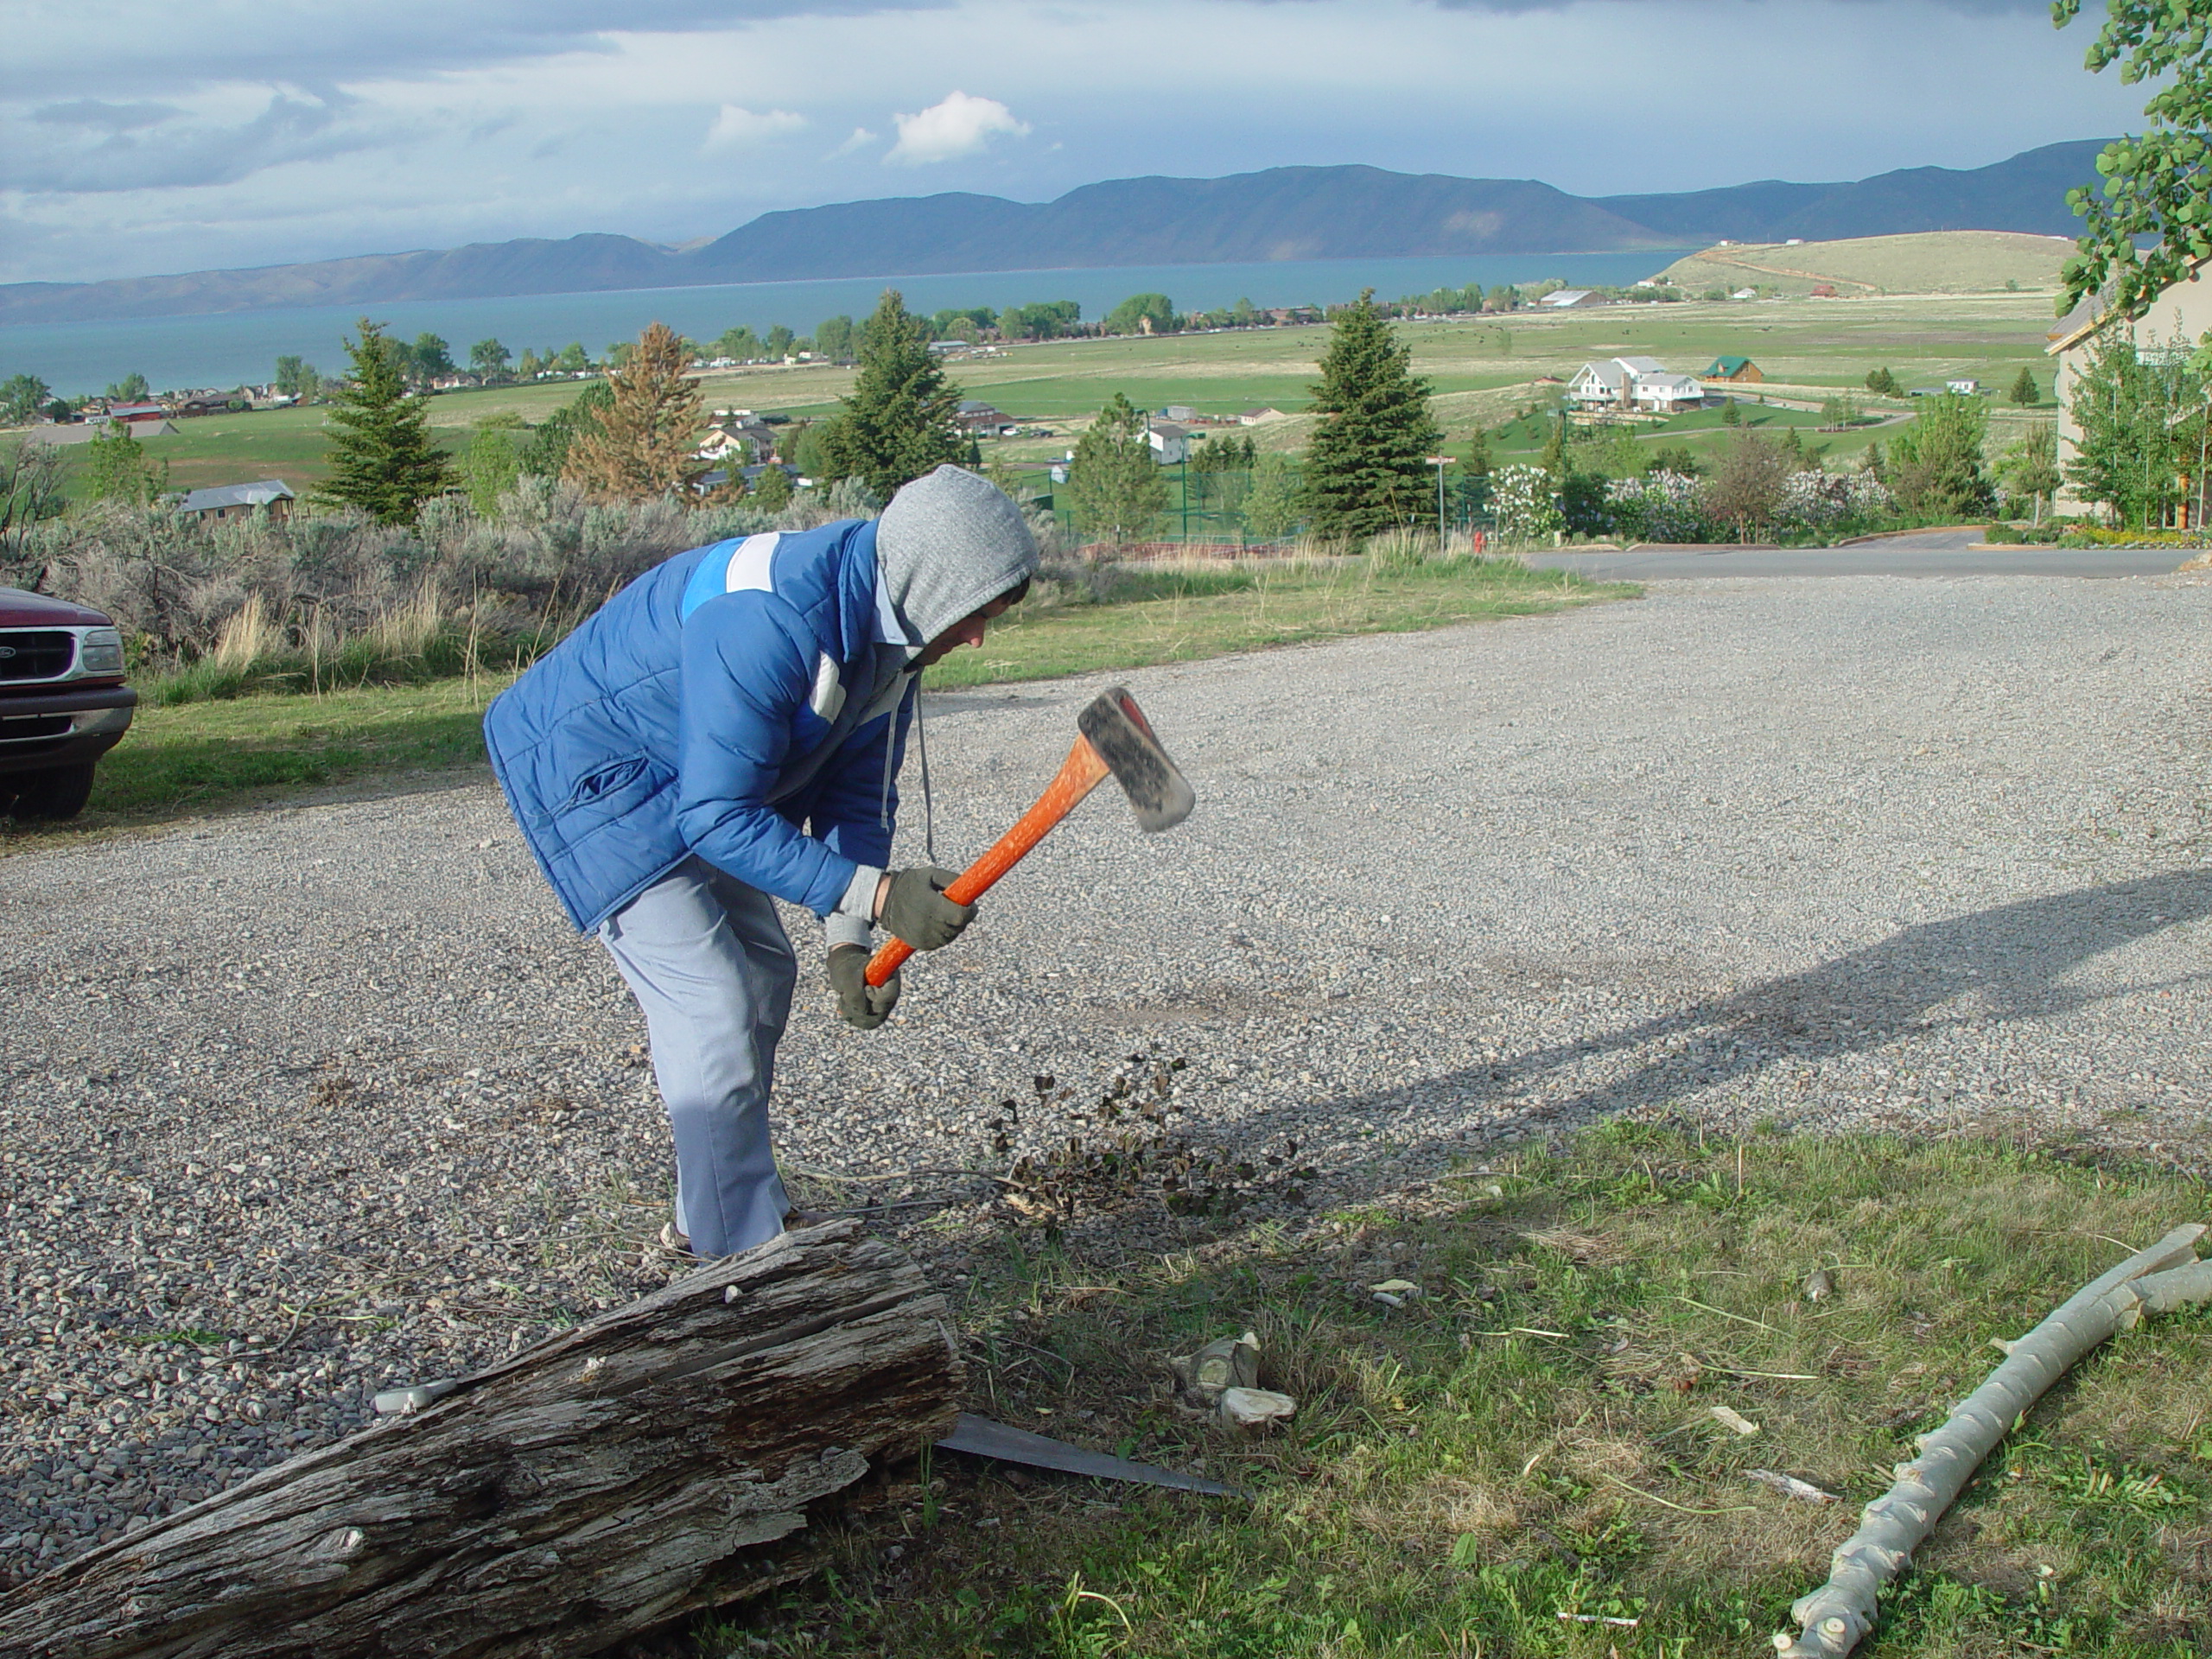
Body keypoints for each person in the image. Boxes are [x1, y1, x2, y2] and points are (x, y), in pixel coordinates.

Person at [484, 464, 1037, 1257]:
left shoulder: (891, 641)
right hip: (594, 772)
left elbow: (856, 803)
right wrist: (882, 897)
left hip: (698, 776)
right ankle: (732, 1258)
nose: (979, 636)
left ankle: (725, 1207)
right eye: (975, 613)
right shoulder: (774, 621)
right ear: (929, 582)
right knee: (712, 1001)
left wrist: (849, 939)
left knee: (765, 972)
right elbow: (713, 816)